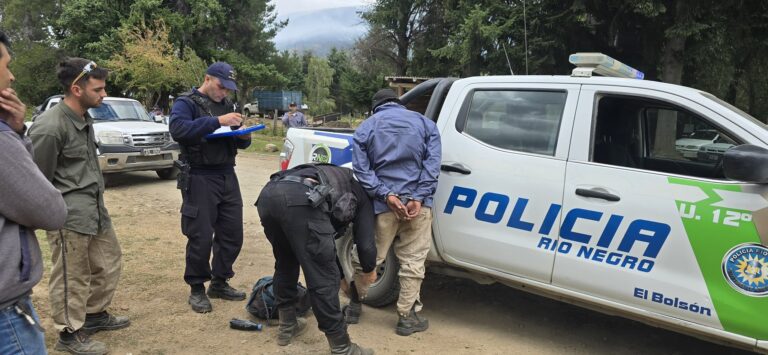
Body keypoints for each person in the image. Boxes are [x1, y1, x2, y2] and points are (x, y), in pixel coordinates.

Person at [29, 57, 129, 355]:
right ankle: (68, 333)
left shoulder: (84, 118)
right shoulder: (49, 127)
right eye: (98, 89)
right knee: (72, 275)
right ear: (76, 88)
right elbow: (38, 180)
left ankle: (94, 314)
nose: (103, 94)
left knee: (108, 261)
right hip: (68, 216)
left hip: (94, 209)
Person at [256, 163, 376, 354]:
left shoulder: (334, 176)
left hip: (268, 196)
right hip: (301, 200)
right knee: (322, 278)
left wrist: (342, 278)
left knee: (286, 261)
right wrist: (370, 270)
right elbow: (366, 244)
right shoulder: (361, 192)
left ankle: (287, 325)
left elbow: (325, 244)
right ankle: (341, 347)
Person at [350, 88, 441, 336]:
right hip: (417, 208)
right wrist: (418, 197)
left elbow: (361, 169)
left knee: (368, 258)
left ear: (376, 107)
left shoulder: (367, 126)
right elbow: (432, 166)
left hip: (382, 207)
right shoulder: (426, 124)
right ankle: (406, 318)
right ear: (398, 104)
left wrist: (386, 195)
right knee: (413, 261)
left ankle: (355, 305)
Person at [0, 30, 68, 355]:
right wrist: (14, 136)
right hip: (6, 317)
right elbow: (49, 210)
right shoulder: (4, 140)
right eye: (6, 64)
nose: (12, 76)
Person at [169, 62, 252, 313]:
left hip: (226, 174)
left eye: (229, 89)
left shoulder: (227, 106)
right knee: (200, 235)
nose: (224, 93)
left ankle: (220, 281)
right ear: (207, 78)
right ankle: (196, 287)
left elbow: (235, 142)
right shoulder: (187, 103)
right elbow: (179, 130)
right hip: (199, 176)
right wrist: (217, 121)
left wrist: (244, 136)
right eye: (221, 86)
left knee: (232, 233)